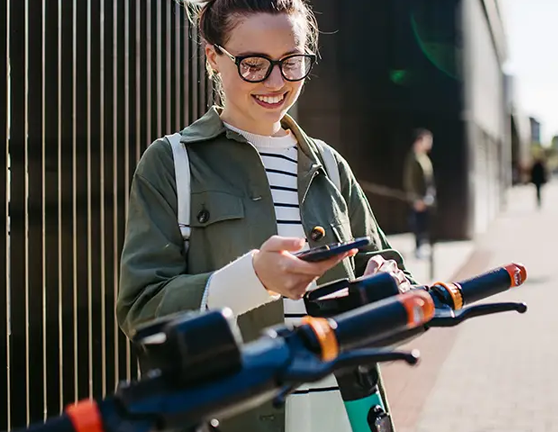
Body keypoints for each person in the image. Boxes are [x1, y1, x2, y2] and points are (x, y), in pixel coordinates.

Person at [116, 1, 418, 431]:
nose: (276, 82)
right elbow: (141, 312)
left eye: (291, 61)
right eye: (253, 64)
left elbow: (398, 278)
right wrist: (255, 278)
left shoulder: (331, 166)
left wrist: (386, 283)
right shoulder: (173, 163)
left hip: (347, 413)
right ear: (213, 56)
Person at [403, 128, 436, 259]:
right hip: (419, 199)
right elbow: (410, 180)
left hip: (426, 197)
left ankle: (423, 246)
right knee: (418, 223)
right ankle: (418, 248)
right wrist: (416, 199)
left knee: (424, 223)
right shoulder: (414, 157)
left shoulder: (423, 157)